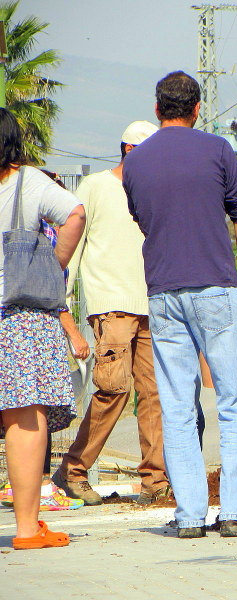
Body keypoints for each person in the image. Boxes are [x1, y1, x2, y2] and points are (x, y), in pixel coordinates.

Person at [124, 70, 237, 539]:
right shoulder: (219, 150)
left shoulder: (135, 163)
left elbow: (146, 222)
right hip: (215, 285)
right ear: (197, 109)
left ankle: (189, 515)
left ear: (156, 107)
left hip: (164, 290)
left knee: (177, 405)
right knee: (232, 400)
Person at [52, 121, 170, 507]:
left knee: (153, 395)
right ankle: (73, 470)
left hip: (152, 303)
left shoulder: (157, 190)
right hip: (112, 303)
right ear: (130, 150)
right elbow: (74, 244)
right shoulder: (96, 187)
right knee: (113, 389)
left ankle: (155, 480)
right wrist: (64, 304)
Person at [0, 107, 85, 549]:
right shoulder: (27, 182)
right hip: (19, 315)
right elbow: (76, 213)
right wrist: (54, 265)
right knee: (25, 417)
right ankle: (28, 529)